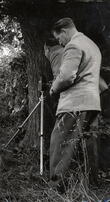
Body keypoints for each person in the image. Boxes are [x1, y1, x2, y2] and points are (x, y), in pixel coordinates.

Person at [49, 18, 102, 190]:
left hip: (74, 103)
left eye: (59, 39)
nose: (61, 43)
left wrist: (53, 89)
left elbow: (66, 77)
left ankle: (57, 188)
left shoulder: (73, 45)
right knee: (88, 147)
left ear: (64, 31)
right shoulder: (92, 45)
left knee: (60, 143)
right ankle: (90, 185)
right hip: (92, 103)